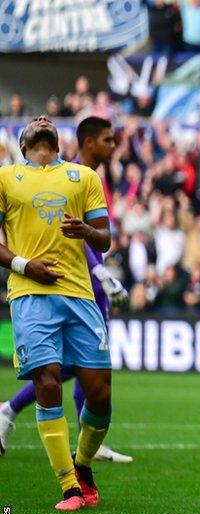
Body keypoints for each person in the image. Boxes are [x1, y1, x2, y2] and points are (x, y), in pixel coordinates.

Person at [0, 117, 132, 463]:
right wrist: (101, 270)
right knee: (55, 370)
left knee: (89, 373)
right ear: (88, 142)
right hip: (54, 286)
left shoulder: (86, 178)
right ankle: (13, 413)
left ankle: (82, 439)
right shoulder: (19, 177)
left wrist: (94, 250)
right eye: (107, 139)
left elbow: (100, 234)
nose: (113, 145)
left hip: (83, 289)